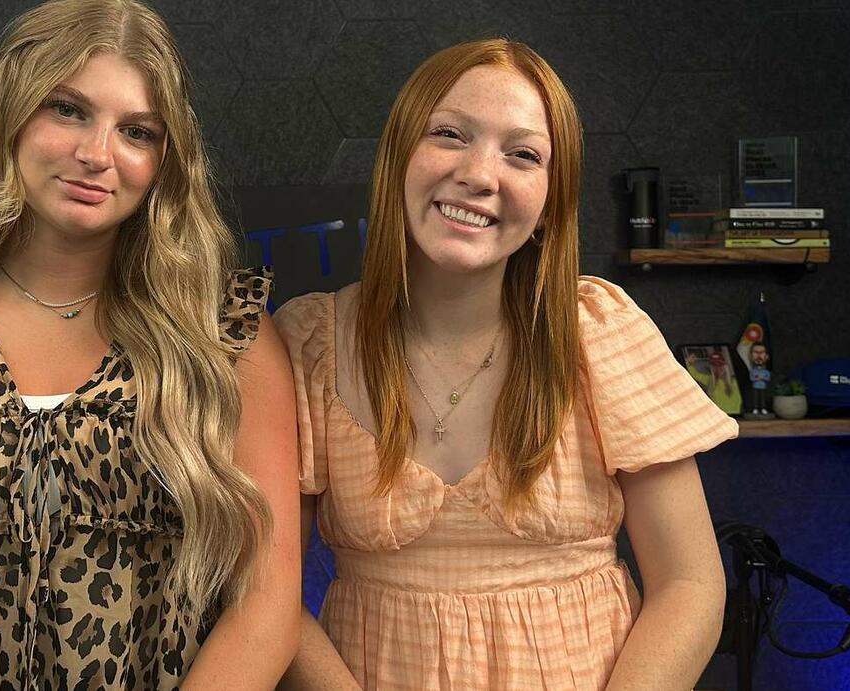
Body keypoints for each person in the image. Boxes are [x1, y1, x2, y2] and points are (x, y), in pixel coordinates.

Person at [0, 1, 300, 688]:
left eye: (137, 131)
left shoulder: (222, 333)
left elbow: (266, 606)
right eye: (67, 109)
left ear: (165, 160)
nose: (97, 154)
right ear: (9, 113)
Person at [275, 38, 736, 691]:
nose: (480, 175)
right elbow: (267, 595)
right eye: (449, 134)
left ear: (550, 202)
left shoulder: (599, 334)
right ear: (397, 157)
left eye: (523, 154)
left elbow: (689, 584)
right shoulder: (308, 345)